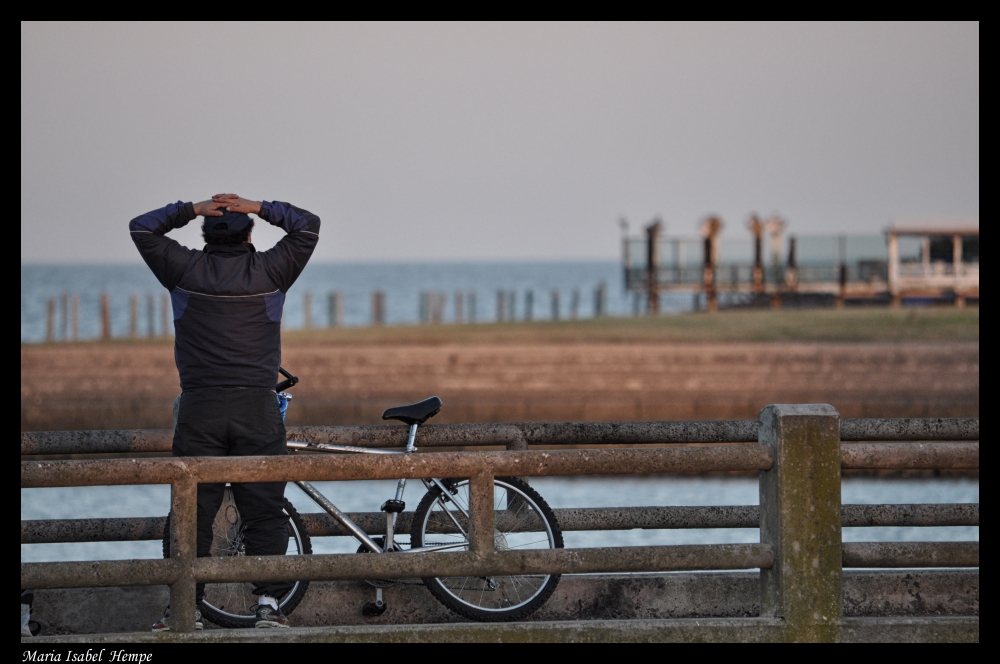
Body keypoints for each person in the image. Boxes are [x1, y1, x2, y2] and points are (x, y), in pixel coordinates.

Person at [130, 194, 320, 630]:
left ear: (204, 235)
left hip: (200, 407)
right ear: (250, 234)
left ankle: (184, 609)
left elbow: (142, 227)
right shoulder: (271, 270)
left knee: (192, 511)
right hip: (257, 405)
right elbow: (308, 225)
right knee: (265, 511)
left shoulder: (183, 269)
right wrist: (258, 205)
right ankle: (269, 607)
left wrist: (191, 208)